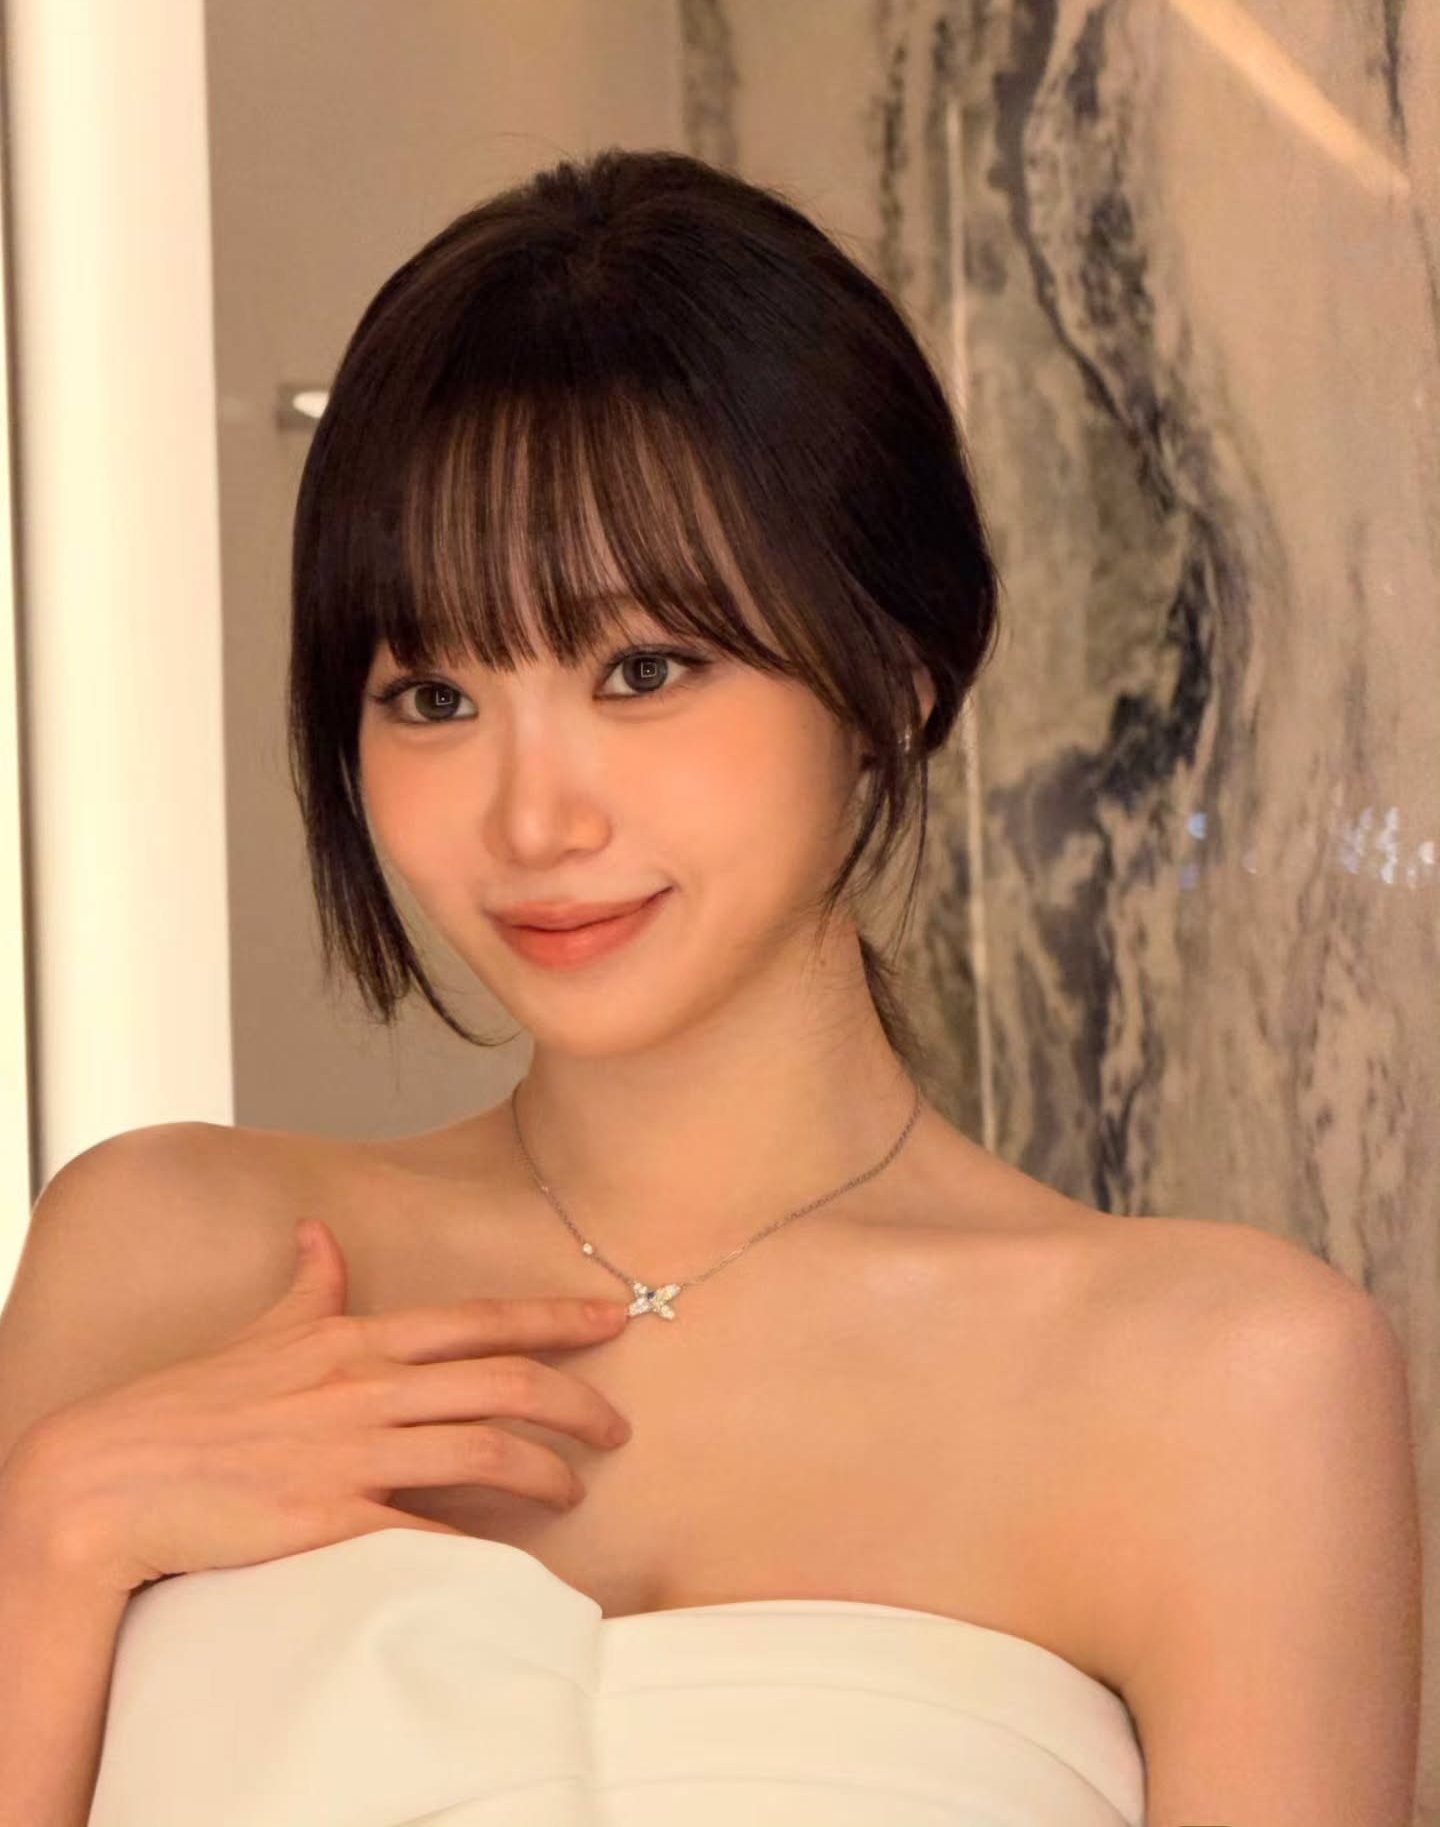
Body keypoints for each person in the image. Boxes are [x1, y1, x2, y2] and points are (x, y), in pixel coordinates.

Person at [0, 149, 1419, 1827]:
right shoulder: (165, 1257)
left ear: (892, 673)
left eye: (645, 669)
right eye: (434, 697)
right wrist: (55, 1532)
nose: (534, 822)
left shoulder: (1228, 1383)